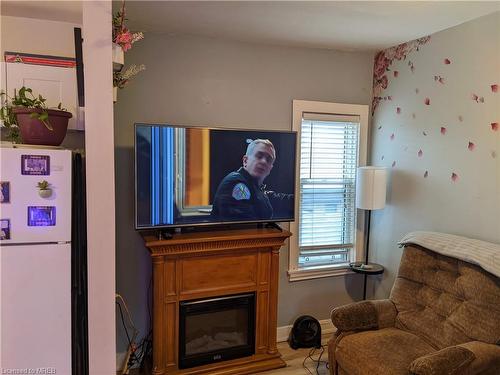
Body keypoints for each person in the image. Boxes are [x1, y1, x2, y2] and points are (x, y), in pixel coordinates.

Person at [211, 139, 292, 221]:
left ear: (270, 168)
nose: (264, 161)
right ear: (245, 160)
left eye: (268, 159)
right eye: (259, 156)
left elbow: (280, 200)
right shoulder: (237, 184)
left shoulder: (255, 188)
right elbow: (246, 227)